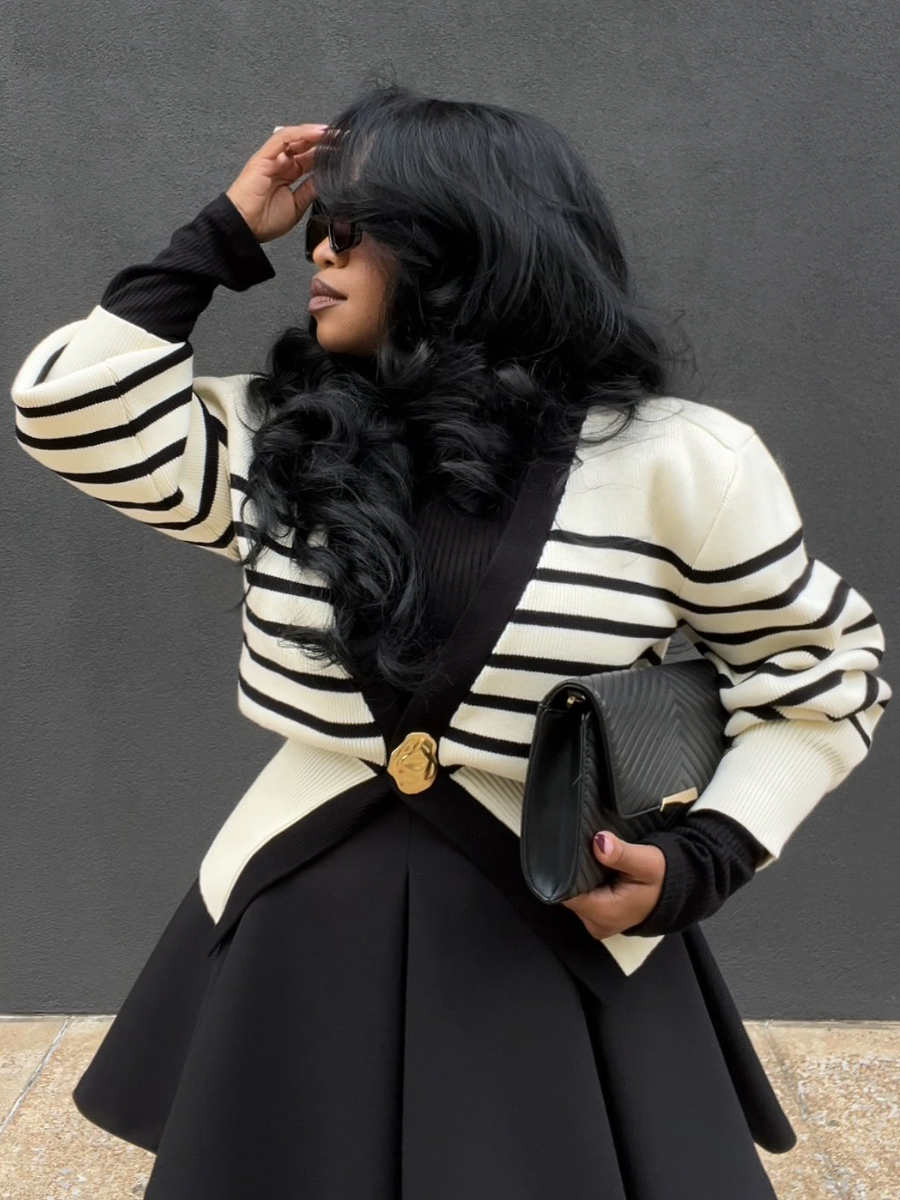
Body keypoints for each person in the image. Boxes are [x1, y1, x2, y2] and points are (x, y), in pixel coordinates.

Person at [10, 83, 890, 1199]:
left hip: (553, 925)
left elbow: (820, 674)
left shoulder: (681, 461)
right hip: (296, 915)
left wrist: (703, 858)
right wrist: (221, 235)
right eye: (320, 225)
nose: (319, 250)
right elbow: (69, 409)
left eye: (358, 228)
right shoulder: (283, 441)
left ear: (468, 245)